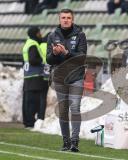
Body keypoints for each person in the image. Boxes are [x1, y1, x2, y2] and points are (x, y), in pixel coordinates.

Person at [46, 9, 87, 152]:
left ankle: (75, 142)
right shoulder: (52, 35)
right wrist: (55, 54)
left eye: (68, 17)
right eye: (63, 17)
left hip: (76, 77)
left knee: (75, 108)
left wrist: (67, 53)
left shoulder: (80, 35)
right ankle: (66, 141)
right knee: (63, 111)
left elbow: (82, 57)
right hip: (60, 77)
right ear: (59, 19)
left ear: (72, 19)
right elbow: (48, 59)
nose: (65, 20)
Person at [22, 27, 44, 128]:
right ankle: (31, 122)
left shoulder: (28, 43)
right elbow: (33, 60)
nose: (41, 34)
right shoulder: (33, 44)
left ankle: (27, 122)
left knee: (28, 100)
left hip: (28, 75)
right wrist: (41, 61)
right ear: (36, 33)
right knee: (33, 101)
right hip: (34, 75)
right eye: (39, 32)